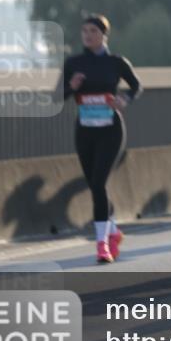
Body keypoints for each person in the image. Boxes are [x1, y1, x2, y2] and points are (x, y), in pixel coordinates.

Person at [61, 15, 141, 264]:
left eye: (93, 31)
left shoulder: (116, 62)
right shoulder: (74, 63)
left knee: (98, 182)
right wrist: (72, 86)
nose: (87, 35)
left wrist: (125, 99)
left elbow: (136, 85)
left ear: (104, 34)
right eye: (84, 31)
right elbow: (58, 95)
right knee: (96, 185)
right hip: (85, 130)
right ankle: (113, 230)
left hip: (111, 130)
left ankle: (102, 245)